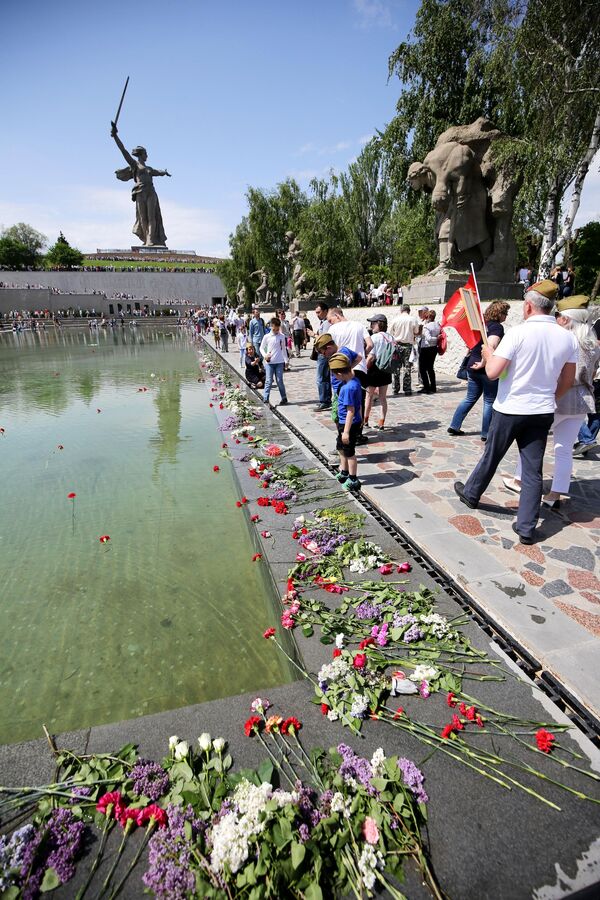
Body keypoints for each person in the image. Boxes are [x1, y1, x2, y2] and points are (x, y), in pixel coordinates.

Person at [454, 281, 578, 545]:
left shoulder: (518, 333)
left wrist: (488, 353)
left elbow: (492, 372)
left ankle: (472, 493)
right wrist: (550, 398)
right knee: (533, 471)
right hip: (542, 410)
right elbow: (568, 380)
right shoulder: (567, 337)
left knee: (492, 455)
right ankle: (526, 527)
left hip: (511, 408)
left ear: (529, 305)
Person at [507, 297, 600, 507]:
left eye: (558, 316)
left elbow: (562, 375)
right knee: (564, 449)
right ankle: (556, 494)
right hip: (581, 400)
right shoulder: (593, 345)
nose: (555, 319)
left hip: (558, 397)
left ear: (567, 320)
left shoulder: (565, 342)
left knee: (530, 439)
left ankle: (520, 479)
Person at [448, 301, 510, 441]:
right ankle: (486, 433)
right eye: (505, 313)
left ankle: (454, 425)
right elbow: (491, 345)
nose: (506, 316)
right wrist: (483, 362)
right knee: (489, 401)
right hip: (484, 367)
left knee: (470, 398)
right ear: (498, 313)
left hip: (472, 365)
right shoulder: (497, 327)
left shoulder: (481, 324)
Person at [327, 307, 373, 444]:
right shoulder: (359, 326)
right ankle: (358, 433)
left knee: (343, 400)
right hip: (359, 367)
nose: (330, 323)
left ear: (337, 315)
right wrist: (362, 356)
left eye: (330, 319)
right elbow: (370, 344)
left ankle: (344, 432)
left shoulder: (333, 330)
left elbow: (331, 350)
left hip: (341, 369)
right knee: (359, 401)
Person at [329, 353, 363, 492]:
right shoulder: (354, 380)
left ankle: (353, 479)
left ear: (339, 374)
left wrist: (346, 432)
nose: (335, 378)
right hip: (349, 422)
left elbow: (351, 410)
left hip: (348, 424)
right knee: (341, 448)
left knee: (349, 452)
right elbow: (359, 403)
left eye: (334, 375)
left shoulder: (348, 388)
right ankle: (344, 472)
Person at [573, 312, 600, 457]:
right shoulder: (593, 341)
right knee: (595, 414)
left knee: (574, 411)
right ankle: (587, 440)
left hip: (585, 381)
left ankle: (586, 439)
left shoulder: (580, 340)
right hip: (591, 379)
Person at [364, 314, 394, 430]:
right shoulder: (390, 337)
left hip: (374, 369)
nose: (371, 326)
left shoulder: (375, 337)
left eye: (373, 323)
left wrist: (364, 368)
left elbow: (371, 357)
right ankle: (381, 422)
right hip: (386, 369)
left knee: (368, 396)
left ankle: (365, 420)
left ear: (379, 324)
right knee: (383, 397)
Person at [389, 305, 420, 395]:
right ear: (409, 311)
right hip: (408, 346)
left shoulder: (395, 319)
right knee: (407, 368)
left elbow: (390, 333)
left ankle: (396, 388)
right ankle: (407, 389)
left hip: (397, 346)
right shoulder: (413, 319)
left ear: (401, 310)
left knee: (396, 368)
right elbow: (416, 331)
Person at [308, 302, 332, 410]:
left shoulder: (326, 323)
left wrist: (313, 335)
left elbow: (325, 339)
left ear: (325, 311)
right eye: (316, 313)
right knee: (325, 378)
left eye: (319, 312)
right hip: (323, 353)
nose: (317, 315)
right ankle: (326, 399)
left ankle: (324, 400)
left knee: (321, 378)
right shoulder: (323, 322)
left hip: (324, 353)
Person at [260, 318, 289, 406]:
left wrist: (286, 360)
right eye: (274, 329)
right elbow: (261, 348)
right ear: (271, 326)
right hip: (269, 363)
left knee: (279, 380)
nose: (276, 331)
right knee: (268, 380)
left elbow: (283, 349)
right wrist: (265, 355)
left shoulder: (282, 336)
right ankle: (265, 398)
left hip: (279, 362)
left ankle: (284, 398)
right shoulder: (266, 337)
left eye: (277, 329)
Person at [418, 310, 441, 394]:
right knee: (430, 368)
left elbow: (429, 338)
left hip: (426, 348)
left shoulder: (427, 326)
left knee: (422, 369)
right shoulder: (438, 325)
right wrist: (437, 338)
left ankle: (426, 387)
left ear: (428, 317)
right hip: (434, 348)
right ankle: (433, 387)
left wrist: (436, 338)